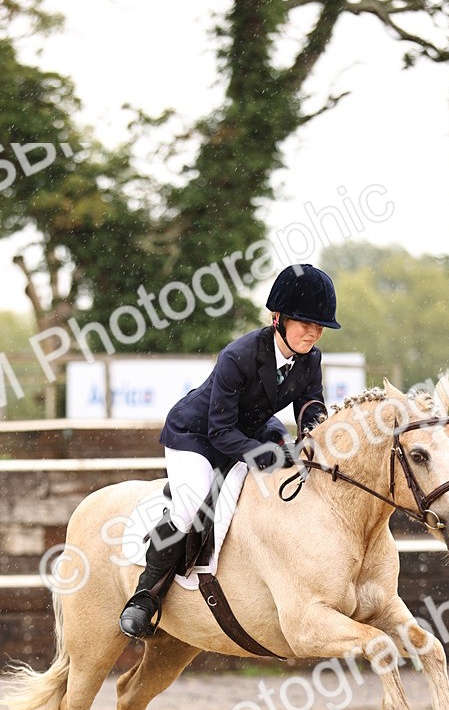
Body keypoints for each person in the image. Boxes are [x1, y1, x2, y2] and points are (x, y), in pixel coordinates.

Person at [118, 262, 341, 638]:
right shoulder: (238, 356)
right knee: (190, 505)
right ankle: (145, 596)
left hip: (250, 427)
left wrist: (312, 432)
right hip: (198, 435)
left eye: (319, 326)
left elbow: (309, 403)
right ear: (278, 319)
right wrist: (269, 455)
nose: (313, 333)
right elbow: (221, 433)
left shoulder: (310, 359)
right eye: (306, 324)